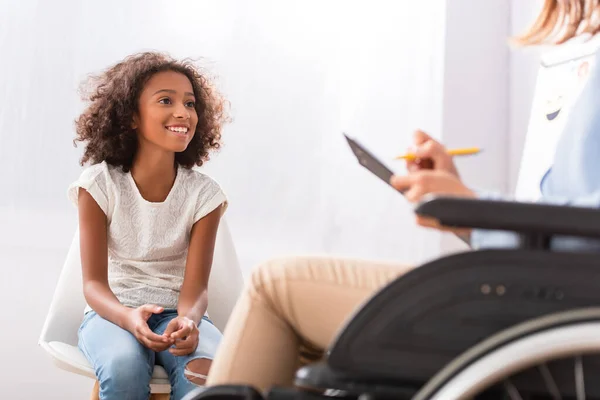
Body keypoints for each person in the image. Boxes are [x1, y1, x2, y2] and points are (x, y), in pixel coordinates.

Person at [199, 0, 600, 394]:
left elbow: (581, 232)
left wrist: (472, 208)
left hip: (549, 311)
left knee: (275, 285)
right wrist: (466, 207)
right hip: (549, 297)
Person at [69, 51, 229, 400]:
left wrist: (188, 320)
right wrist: (127, 318)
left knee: (207, 377)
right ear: (130, 117)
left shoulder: (205, 195)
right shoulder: (98, 185)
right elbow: (93, 284)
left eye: (189, 103)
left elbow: (196, 287)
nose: (182, 113)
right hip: (114, 313)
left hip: (180, 315)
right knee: (122, 369)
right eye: (165, 101)